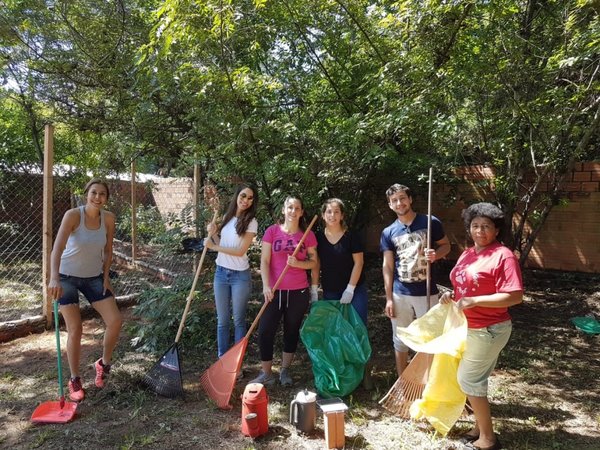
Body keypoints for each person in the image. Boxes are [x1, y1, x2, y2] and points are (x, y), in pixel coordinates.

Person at [440, 202, 523, 450]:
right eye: (475, 226)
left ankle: (488, 439)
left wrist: (475, 300)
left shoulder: (503, 255)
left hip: (489, 328)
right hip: (468, 325)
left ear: (497, 230)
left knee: (468, 380)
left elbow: (515, 296)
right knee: (476, 380)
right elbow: (462, 285)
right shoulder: (469, 253)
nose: (480, 231)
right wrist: (451, 296)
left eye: (486, 226)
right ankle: (480, 428)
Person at [47, 178, 122, 402]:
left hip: (94, 278)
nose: (98, 197)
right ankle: (74, 378)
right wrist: (54, 278)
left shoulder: (108, 218)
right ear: (86, 194)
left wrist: (106, 277)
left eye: (102, 194)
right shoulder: (73, 216)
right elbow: (57, 248)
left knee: (115, 320)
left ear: (106, 198)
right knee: (76, 328)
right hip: (67, 278)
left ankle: (103, 364)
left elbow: (108, 250)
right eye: (94, 193)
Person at [380, 183, 451, 377]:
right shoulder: (389, 232)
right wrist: (388, 298)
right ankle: (403, 381)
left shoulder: (430, 222)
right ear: (390, 205)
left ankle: (428, 380)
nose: (399, 203)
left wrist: (435, 254)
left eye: (402, 198)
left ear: (410, 199)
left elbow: (446, 246)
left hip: (427, 292)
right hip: (400, 293)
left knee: (430, 337)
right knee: (400, 338)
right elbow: (387, 266)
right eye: (394, 200)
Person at [251, 195, 318, 386]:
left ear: (301, 212)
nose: (293, 211)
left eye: (297, 208)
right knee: (265, 330)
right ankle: (266, 373)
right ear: (283, 210)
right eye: (290, 207)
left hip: (298, 291)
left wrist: (298, 263)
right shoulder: (272, 232)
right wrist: (266, 285)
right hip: (274, 291)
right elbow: (264, 261)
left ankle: (285, 371)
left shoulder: (308, 235)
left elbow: (314, 262)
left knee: (291, 331)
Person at [310, 198, 372, 388]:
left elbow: (358, 263)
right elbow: (316, 264)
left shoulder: (352, 236)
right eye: (329, 212)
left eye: (336, 212)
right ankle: (341, 374)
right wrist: (314, 289)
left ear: (342, 215)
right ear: (323, 215)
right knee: (336, 332)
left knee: (358, 329)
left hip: (355, 290)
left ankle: (365, 373)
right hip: (331, 291)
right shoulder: (318, 237)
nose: (332, 215)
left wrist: (351, 289)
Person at [205, 184, 258, 358]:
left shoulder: (251, 222)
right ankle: (222, 359)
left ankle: (235, 362)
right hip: (221, 273)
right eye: (243, 196)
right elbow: (222, 243)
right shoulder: (227, 217)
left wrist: (214, 246)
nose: (246, 201)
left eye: (250, 198)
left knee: (239, 321)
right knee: (222, 321)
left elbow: (240, 251)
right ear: (237, 195)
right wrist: (212, 234)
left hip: (239, 276)